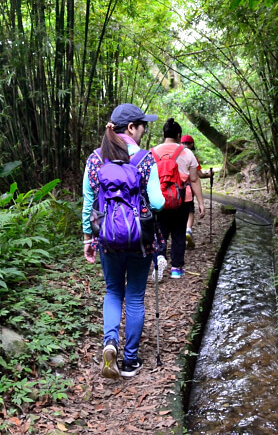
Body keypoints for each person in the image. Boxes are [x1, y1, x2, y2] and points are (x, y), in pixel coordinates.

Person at [82, 103, 165, 379]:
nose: (144, 131)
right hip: (140, 239)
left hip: (107, 238)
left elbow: (88, 203)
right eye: (143, 126)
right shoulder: (144, 159)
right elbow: (158, 203)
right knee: (136, 297)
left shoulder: (95, 158)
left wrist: (87, 238)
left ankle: (110, 343)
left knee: (113, 291)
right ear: (131, 127)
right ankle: (130, 361)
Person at [153, 119, 205, 278]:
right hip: (182, 199)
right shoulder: (187, 153)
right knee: (179, 232)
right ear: (178, 135)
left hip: (159, 198)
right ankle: (176, 268)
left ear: (163, 134)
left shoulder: (152, 152)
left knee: (160, 231)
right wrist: (201, 203)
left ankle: (159, 259)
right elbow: (194, 180)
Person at [180, 135, 213, 248]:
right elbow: (199, 175)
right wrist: (209, 175)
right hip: (189, 189)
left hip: (175, 189)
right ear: (192, 144)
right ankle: (188, 230)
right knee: (190, 210)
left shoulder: (175, 153)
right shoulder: (191, 156)